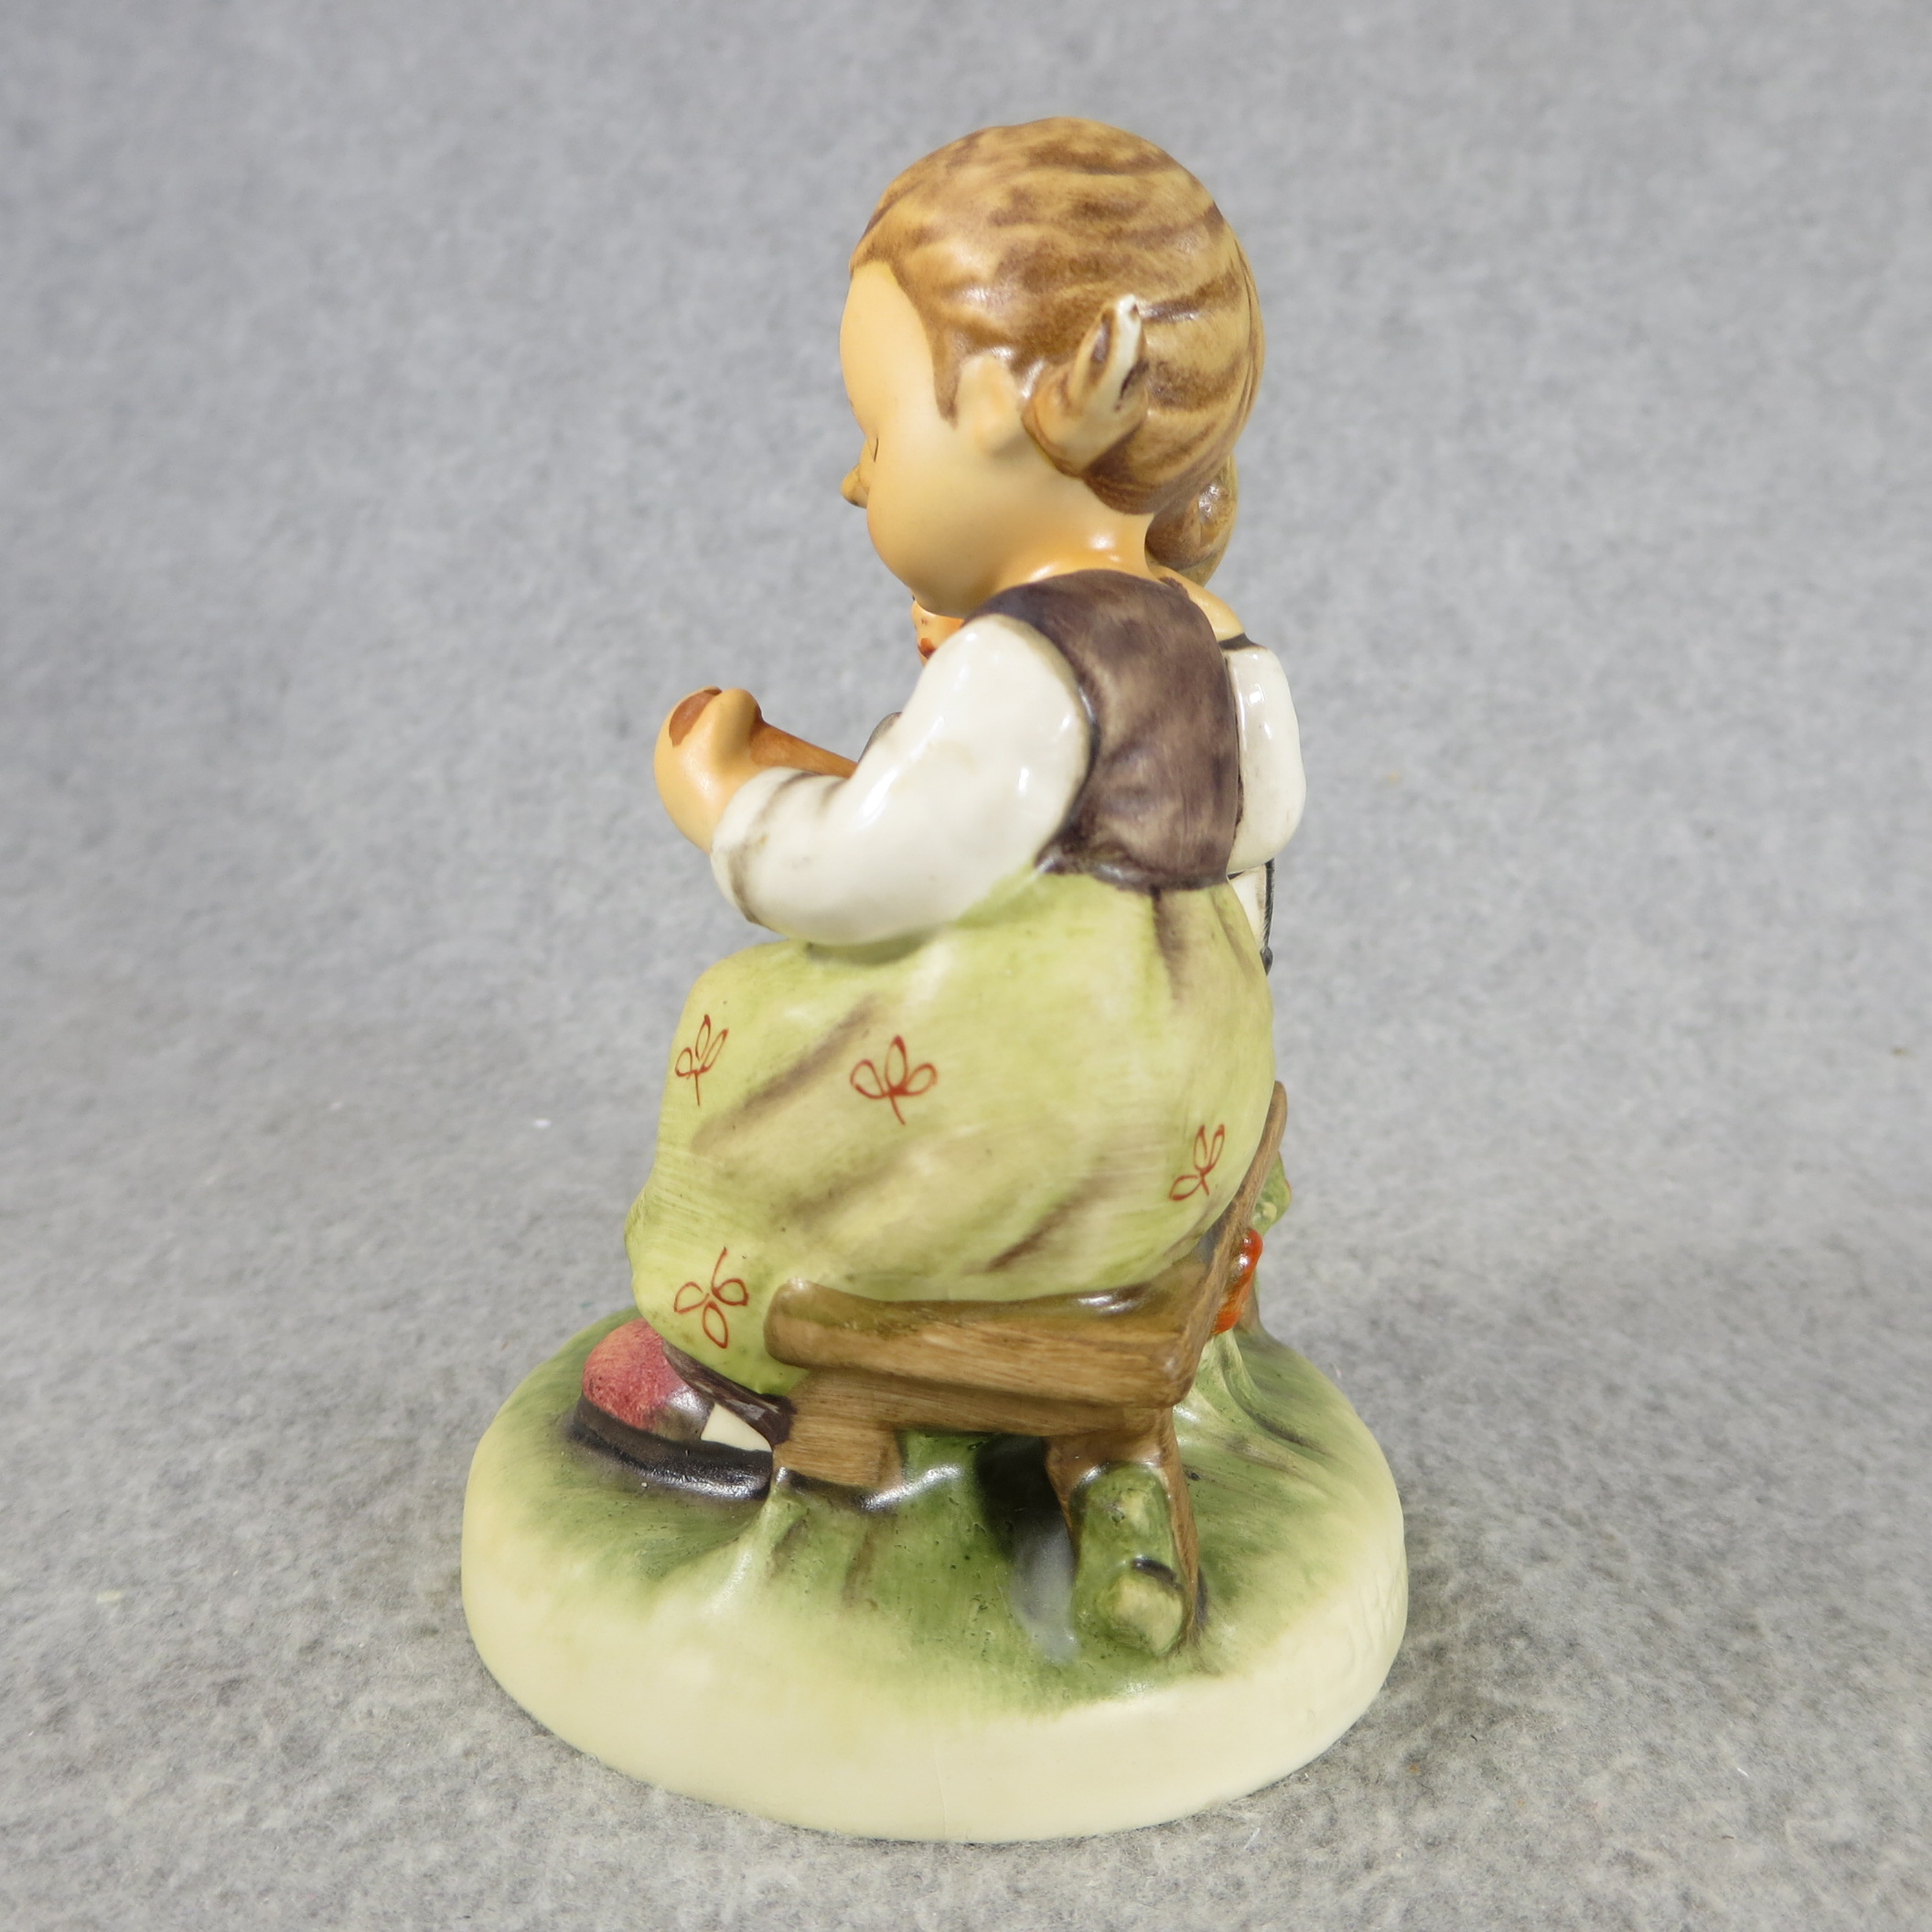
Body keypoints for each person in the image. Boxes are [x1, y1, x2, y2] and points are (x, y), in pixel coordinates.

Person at [629, 118, 1305, 1422]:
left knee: (750, 1031)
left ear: (1007, 411)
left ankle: (738, 1366)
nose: (854, 479)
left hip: (1043, 1118)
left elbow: (873, 873)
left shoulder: (1025, 661)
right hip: (1183, 1107)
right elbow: (1255, 818)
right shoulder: (1215, 636)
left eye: (878, 432)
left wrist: (729, 804)